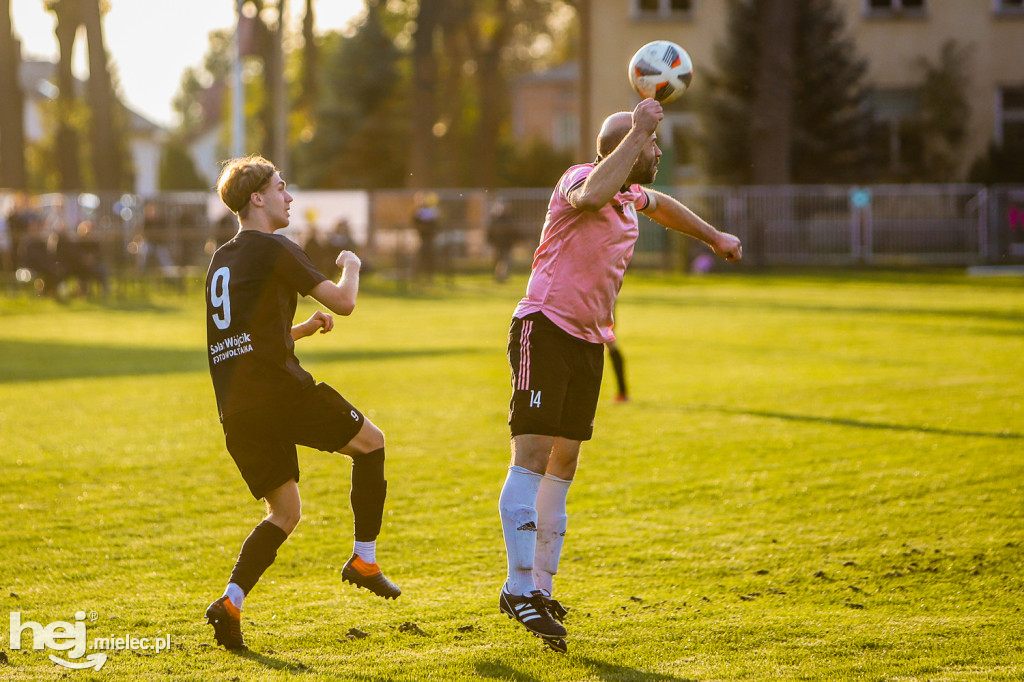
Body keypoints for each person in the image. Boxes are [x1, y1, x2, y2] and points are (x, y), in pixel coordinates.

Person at [498, 98, 742, 653]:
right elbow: (591, 195)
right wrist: (639, 131)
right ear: (627, 146)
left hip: (588, 341)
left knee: (564, 463)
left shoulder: (632, 195)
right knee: (532, 456)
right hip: (545, 327)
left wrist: (714, 237)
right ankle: (516, 589)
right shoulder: (580, 178)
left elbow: (663, 206)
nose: (657, 151)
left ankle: (541, 586)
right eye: (652, 146)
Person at [203, 155, 400, 652]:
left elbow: (243, 343)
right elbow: (344, 301)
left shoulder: (220, 261)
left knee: (284, 512)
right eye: (282, 187)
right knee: (371, 443)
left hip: (237, 407)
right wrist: (351, 266)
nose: (289, 197)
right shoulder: (275, 247)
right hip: (279, 392)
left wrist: (302, 330)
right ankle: (365, 558)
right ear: (257, 198)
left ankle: (230, 602)